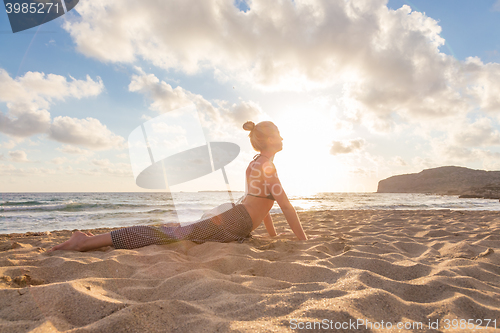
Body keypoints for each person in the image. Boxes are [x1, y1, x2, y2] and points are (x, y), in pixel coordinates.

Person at [48, 120, 307, 252]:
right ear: (270, 139)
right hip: (234, 222)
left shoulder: (255, 163)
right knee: (167, 234)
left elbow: (261, 204)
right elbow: (284, 207)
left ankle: (96, 239)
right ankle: (84, 242)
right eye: (279, 134)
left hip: (237, 219)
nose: (283, 138)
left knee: (173, 232)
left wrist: (272, 237)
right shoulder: (268, 167)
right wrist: (303, 240)